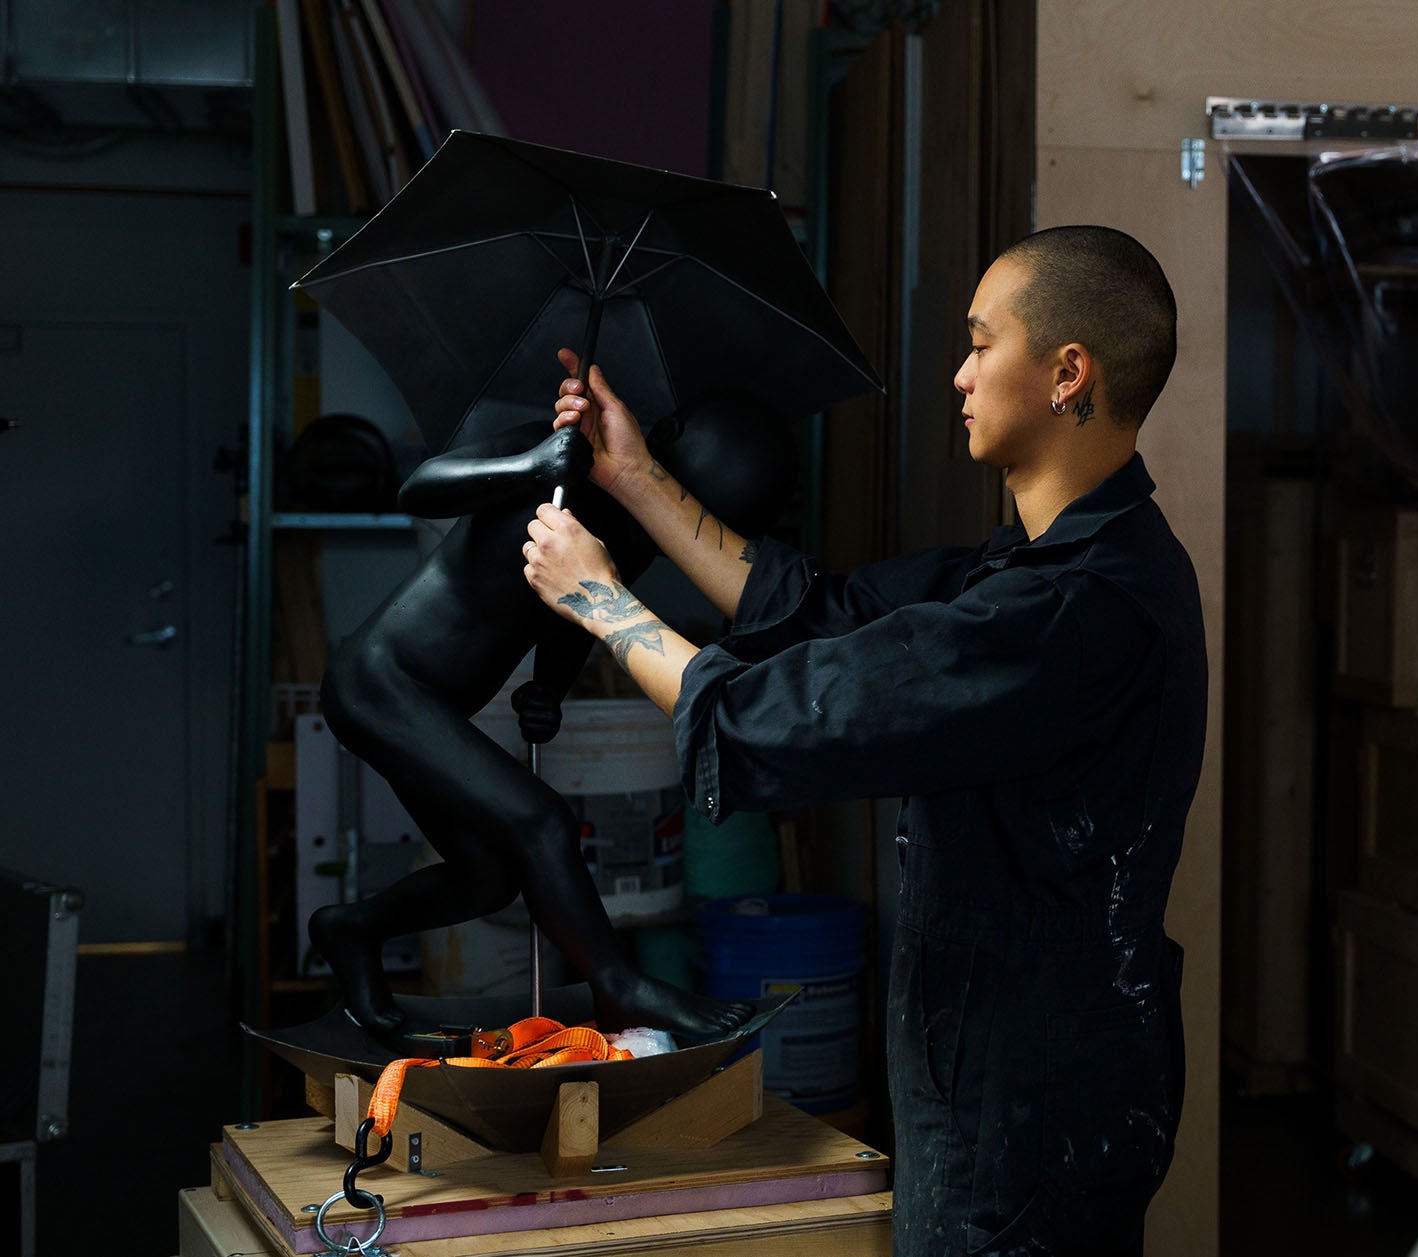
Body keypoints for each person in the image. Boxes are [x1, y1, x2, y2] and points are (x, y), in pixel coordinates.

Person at [521, 225, 1205, 1256]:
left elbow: (777, 719)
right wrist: (634, 482)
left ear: (1067, 373)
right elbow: (813, 611)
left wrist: (598, 602)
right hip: (1013, 1078)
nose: (958, 372)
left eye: (982, 343)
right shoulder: (1027, 568)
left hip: (1027, 1113)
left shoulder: (1073, 611)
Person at [309, 396, 794, 1043]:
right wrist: (530, 464)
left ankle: (353, 926)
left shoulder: (631, 532)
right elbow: (418, 488)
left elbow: (572, 606)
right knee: (539, 820)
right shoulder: (559, 451)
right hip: (384, 684)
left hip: (436, 701)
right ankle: (619, 988)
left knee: (488, 876)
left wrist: (549, 684)